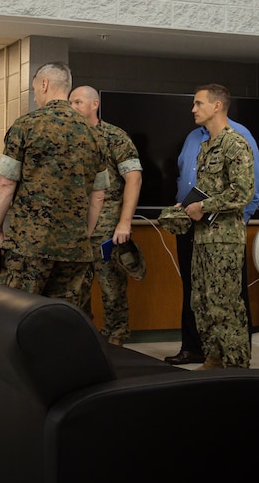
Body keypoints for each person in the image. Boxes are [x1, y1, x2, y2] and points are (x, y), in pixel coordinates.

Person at [0, 62, 109, 310]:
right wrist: (82, 235)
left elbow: (5, 182)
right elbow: (98, 196)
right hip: (75, 250)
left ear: (44, 84)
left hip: (29, 247)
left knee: (18, 315)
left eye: (34, 89)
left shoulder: (26, 126)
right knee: (63, 321)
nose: (34, 96)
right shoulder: (95, 135)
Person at [166, 91, 259, 366]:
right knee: (202, 301)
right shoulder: (205, 146)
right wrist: (186, 206)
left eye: (199, 103)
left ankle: (236, 363)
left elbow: (244, 191)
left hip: (224, 239)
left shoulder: (236, 143)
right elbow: (205, 190)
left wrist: (204, 207)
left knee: (226, 303)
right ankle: (213, 356)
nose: (193, 109)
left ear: (217, 106)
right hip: (201, 236)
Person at [69, 85, 144, 345]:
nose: (73, 108)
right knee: (76, 289)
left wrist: (124, 222)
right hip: (77, 227)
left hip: (107, 225)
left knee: (112, 290)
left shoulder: (114, 136)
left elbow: (133, 178)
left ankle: (116, 341)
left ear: (94, 104)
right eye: (71, 103)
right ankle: (83, 341)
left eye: (78, 102)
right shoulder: (70, 138)